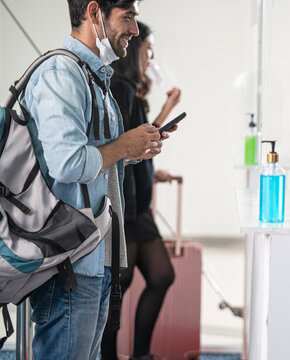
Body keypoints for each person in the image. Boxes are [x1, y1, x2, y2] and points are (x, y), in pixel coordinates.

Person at [21, 1, 174, 358]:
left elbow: (95, 163)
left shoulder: (95, 77)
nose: (135, 30)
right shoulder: (62, 72)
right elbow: (67, 162)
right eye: (128, 17)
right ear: (94, 13)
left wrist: (133, 151)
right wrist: (122, 145)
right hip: (70, 263)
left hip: (95, 259)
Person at [100, 21, 180, 360]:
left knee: (160, 276)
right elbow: (126, 146)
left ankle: (139, 354)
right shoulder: (119, 87)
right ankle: (110, 355)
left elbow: (137, 146)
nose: (151, 57)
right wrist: (166, 112)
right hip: (127, 210)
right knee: (120, 285)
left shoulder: (128, 89)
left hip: (138, 208)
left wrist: (151, 170)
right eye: (147, 49)